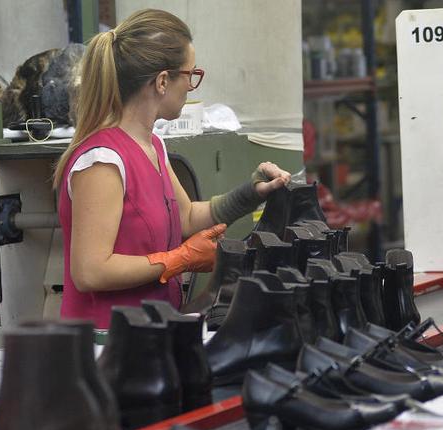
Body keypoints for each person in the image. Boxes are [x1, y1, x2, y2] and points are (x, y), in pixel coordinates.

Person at [54, 9, 291, 328]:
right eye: (190, 75)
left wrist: (251, 194)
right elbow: (90, 271)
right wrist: (181, 259)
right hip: (105, 341)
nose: (192, 86)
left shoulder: (153, 145)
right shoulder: (102, 160)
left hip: (151, 332)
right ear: (163, 81)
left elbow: (186, 217)